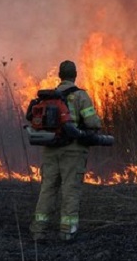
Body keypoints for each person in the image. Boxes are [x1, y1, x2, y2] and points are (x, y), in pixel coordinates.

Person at [29, 60, 102, 242]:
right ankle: (67, 231)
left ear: (60, 76)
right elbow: (92, 122)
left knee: (47, 189)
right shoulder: (80, 96)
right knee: (70, 189)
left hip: (50, 149)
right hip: (73, 151)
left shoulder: (47, 97)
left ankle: (38, 230)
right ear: (75, 75)